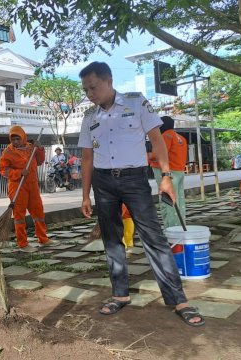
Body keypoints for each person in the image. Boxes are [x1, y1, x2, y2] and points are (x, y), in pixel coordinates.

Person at [77, 61, 204, 326]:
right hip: (103, 183)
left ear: (109, 81)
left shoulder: (136, 103)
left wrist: (166, 177)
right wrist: (85, 194)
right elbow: (87, 158)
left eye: (93, 87)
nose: (90, 93)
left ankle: (178, 299)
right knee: (112, 240)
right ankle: (119, 294)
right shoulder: (89, 117)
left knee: (153, 237)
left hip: (134, 179)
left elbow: (157, 140)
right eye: (86, 89)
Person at [0, 126, 60, 252]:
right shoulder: (7, 152)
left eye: (18, 139)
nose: (15, 142)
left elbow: (39, 161)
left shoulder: (31, 148)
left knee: (39, 213)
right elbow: (3, 170)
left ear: (23, 137)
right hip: (17, 187)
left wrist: (40, 148)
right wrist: (20, 172)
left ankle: (43, 239)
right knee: (19, 216)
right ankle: (23, 243)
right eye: (13, 139)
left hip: (32, 185)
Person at [148, 116, 188, 230]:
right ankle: (181, 227)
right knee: (179, 201)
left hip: (166, 173)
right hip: (179, 171)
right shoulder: (181, 138)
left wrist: (146, 156)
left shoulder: (165, 136)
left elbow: (158, 155)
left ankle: (171, 229)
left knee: (167, 201)